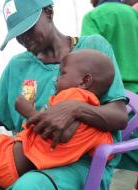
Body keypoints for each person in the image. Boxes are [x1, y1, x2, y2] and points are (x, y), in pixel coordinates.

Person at [0, 0, 128, 189]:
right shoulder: (17, 66)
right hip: (21, 156)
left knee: (29, 186)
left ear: (49, 13)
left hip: (77, 161)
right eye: (17, 33)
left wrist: (76, 108)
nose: (24, 38)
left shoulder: (92, 49)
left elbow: (119, 116)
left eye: (28, 28)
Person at [0, 49, 115, 189]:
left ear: (84, 81)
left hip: (8, 164)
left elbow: (64, 133)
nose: (56, 79)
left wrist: (29, 111)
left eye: (63, 74)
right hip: (14, 161)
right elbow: (104, 151)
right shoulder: (97, 124)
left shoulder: (72, 95)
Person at [81, 0, 138, 189]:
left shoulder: (93, 17)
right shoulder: (133, 13)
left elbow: (88, 60)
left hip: (120, 104)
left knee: (123, 172)